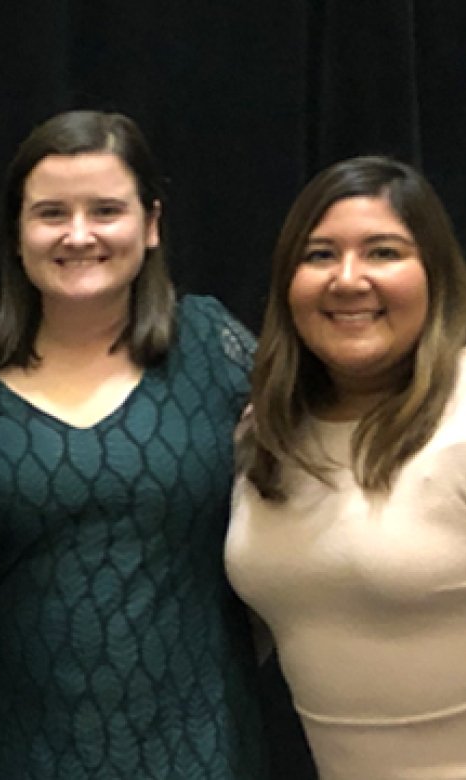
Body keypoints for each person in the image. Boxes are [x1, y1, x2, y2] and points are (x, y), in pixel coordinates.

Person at [0, 110, 269, 779]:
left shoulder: (214, 347)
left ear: (152, 223)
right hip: (13, 749)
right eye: (51, 213)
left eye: (106, 210)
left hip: (203, 749)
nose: (79, 235)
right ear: (17, 234)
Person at [227, 156, 466, 779]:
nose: (348, 279)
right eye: (320, 255)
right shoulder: (269, 432)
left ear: (435, 274)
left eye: (383, 252)